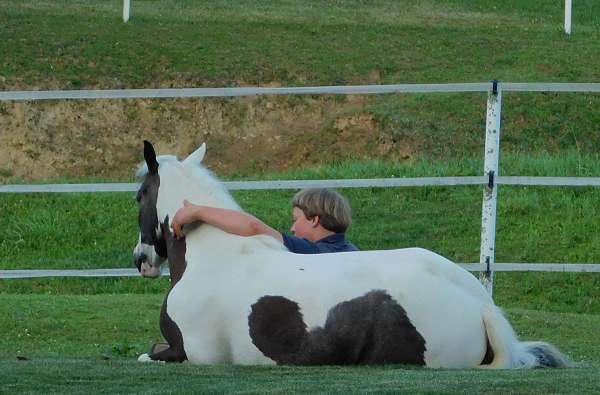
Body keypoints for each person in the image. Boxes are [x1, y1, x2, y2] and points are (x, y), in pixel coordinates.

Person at [171, 187, 358, 254]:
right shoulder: (353, 252)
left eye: (296, 219)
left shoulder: (314, 252)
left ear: (314, 220)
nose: (292, 228)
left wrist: (198, 211)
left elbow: (253, 227)